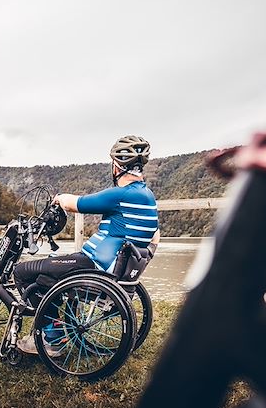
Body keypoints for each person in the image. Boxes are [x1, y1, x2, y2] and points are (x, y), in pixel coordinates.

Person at [15, 135, 161, 355]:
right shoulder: (147, 196)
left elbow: (76, 203)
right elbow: (155, 237)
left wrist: (59, 198)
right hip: (114, 271)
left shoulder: (119, 194)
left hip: (94, 266)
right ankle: (54, 329)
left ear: (116, 166)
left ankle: (51, 339)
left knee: (24, 272)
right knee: (54, 267)